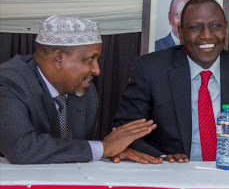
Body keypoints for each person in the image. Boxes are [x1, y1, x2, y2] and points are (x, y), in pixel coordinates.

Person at [114, 0, 229, 164]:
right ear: (181, 32)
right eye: (196, 27)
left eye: (215, 26)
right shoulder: (151, 70)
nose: (207, 35)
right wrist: (163, 158)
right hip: (170, 176)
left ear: (225, 29)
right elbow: (124, 132)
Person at [0, 15, 158, 164]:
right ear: (58, 59)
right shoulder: (10, 81)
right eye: (89, 59)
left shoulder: (85, 92)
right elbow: (21, 148)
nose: (97, 70)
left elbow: (79, 148)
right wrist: (102, 148)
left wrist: (108, 151)